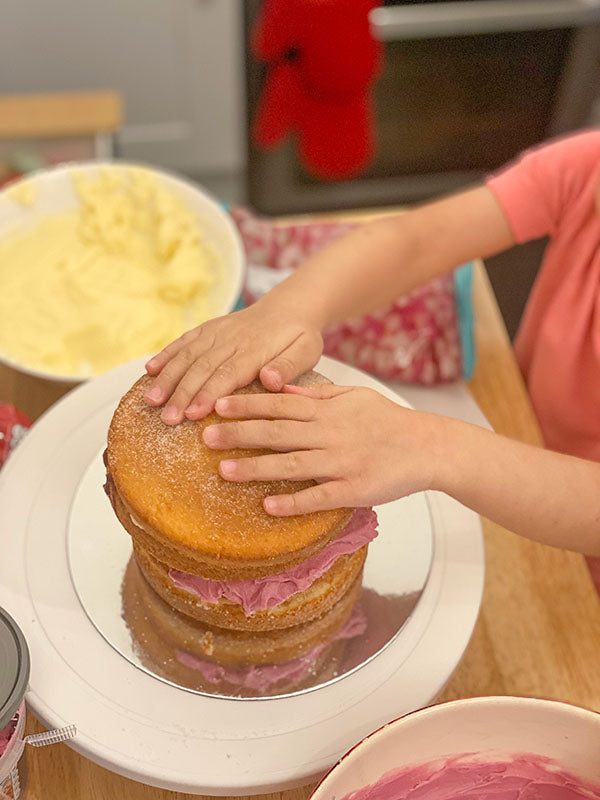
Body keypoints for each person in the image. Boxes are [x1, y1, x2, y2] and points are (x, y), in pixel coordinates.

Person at [143, 130, 600, 558]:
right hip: (520, 426)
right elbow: (413, 242)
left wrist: (432, 444)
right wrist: (290, 307)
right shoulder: (588, 168)